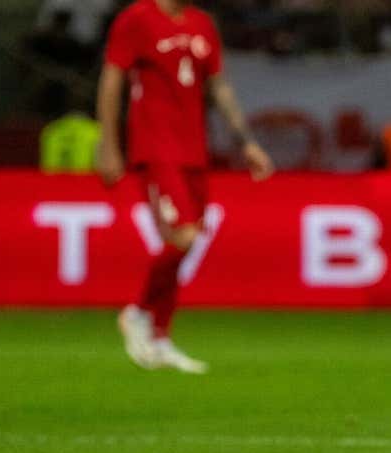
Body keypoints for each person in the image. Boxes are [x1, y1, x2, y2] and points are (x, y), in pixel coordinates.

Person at [100, 0, 274, 373]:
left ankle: (160, 337)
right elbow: (113, 78)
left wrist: (246, 141)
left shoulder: (202, 23)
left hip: (194, 148)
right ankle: (138, 311)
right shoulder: (137, 19)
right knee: (184, 236)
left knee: (185, 243)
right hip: (155, 146)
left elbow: (219, 86)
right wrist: (108, 143)